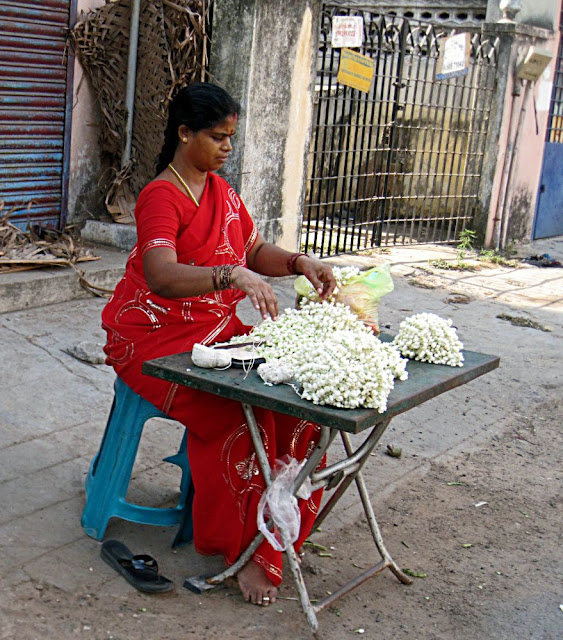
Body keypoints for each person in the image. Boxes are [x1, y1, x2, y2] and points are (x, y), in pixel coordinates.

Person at [101, 82, 336, 606]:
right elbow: (160, 275)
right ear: (184, 134)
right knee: (236, 414)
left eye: (232, 136)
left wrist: (300, 263)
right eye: (217, 137)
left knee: (294, 400)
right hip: (153, 338)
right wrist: (228, 277)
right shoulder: (161, 195)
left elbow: (251, 248)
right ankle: (245, 548)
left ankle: (279, 527)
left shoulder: (221, 191)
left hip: (211, 331)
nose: (228, 147)